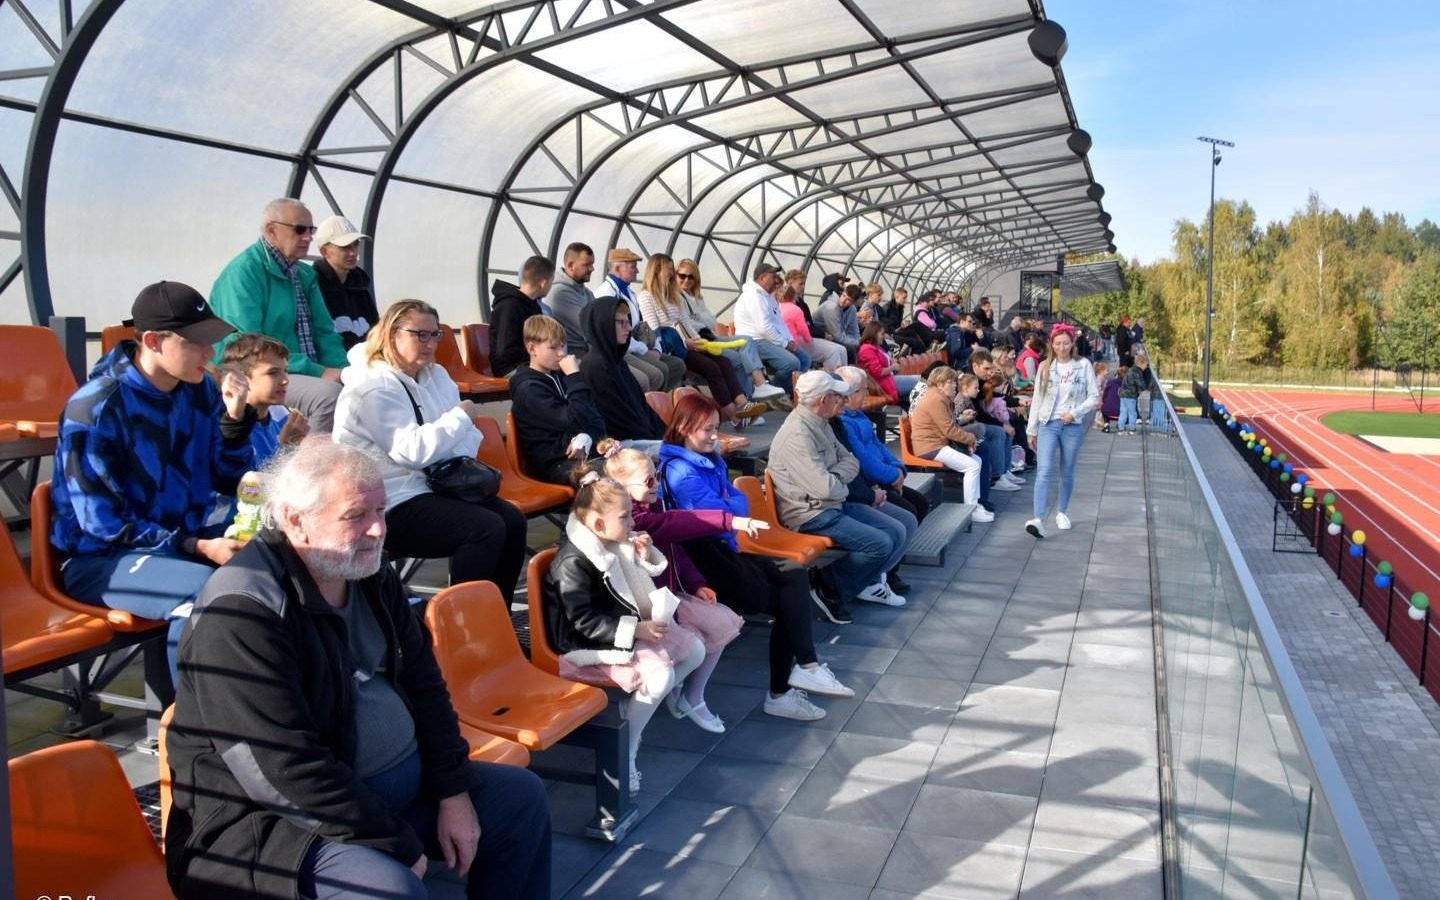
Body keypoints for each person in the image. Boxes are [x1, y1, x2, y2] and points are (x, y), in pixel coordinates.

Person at [164, 439, 551, 900]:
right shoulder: (242, 611)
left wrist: (453, 789)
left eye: (381, 511)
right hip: (276, 827)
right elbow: (282, 769)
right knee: (388, 889)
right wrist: (394, 841)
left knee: (519, 800)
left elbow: (426, 687)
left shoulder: (369, 572)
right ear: (294, 520)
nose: (378, 530)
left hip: (391, 795)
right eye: (355, 515)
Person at [51, 281, 253, 685]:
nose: (210, 353)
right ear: (152, 341)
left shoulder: (199, 391)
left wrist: (235, 423)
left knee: (289, 556)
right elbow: (103, 526)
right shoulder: (95, 407)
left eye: (211, 340)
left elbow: (226, 477)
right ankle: (192, 717)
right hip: (100, 560)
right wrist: (195, 546)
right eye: (196, 342)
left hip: (182, 540)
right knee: (204, 590)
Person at [659, 392, 855, 715]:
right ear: (683, 427)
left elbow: (737, 505)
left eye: (716, 428)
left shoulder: (710, 461)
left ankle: (803, 671)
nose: (713, 436)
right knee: (788, 601)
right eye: (706, 429)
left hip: (727, 549)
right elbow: (724, 513)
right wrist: (732, 504)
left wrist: (731, 504)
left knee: (794, 577)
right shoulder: (681, 472)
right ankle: (784, 689)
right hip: (705, 561)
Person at [333, 300, 528, 597]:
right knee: (484, 528)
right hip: (387, 501)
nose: (431, 344)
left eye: (435, 335)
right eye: (420, 335)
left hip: (436, 485)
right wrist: (460, 417)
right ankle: (462, 619)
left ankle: (495, 613)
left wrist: (449, 435)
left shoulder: (436, 375)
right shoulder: (372, 386)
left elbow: (469, 440)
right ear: (391, 335)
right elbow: (411, 451)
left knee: (512, 520)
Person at [542, 468, 709, 795]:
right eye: (625, 517)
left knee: (695, 651)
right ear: (598, 524)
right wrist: (636, 630)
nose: (633, 523)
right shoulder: (573, 562)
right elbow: (581, 622)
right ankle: (625, 749)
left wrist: (643, 556)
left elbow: (630, 588)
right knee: (660, 676)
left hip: (621, 627)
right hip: (583, 642)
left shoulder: (612, 543)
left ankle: (636, 709)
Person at [602, 446, 744, 733]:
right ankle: (665, 694)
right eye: (648, 480)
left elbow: (675, 550)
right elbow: (671, 524)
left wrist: (696, 583)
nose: (656, 483)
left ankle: (692, 695)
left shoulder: (653, 506)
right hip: (647, 609)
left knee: (719, 623)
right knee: (692, 644)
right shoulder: (634, 519)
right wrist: (726, 519)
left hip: (669, 597)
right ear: (623, 487)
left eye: (656, 475)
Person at [768, 371, 908, 613]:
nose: (844, 400)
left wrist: (835, 476)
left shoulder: (821, 422)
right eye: (838, 396)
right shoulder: (797, 435)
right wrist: (839, 478)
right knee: (880, 543)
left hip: (831, 504)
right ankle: (827, 585)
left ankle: (854, 584)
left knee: (897, 530)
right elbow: (826, 488)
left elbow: (851, 461)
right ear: (822, 400)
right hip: (810, 514)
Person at [210, 198, 347, 431]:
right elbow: (246, 346)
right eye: (300, 229)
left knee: (362, 391)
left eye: (311, 230)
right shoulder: (243, 272)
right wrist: (319, 371)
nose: (308, 237)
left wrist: (345, 371)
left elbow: (325, 332)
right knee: (328, 396)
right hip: (254, 375)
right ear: (271, 230)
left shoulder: (304, 275)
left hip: (294, 371)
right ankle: (299, 454)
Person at [832, 366, 929, 589]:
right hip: (868, 483)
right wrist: (890, 477)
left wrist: (898, 469)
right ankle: (885, 573)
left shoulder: (859, 415)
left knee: (920, 503)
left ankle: (891, 566)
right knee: (909, 510)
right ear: (849, 393)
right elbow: (862, 460)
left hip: (883, 478)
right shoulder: (844, 422)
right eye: (862, 390)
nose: (867, 394)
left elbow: (879, 446)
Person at [635, 252, 753, 424]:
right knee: (711, 368)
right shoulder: (647, 296)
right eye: (669, 270)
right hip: (671, 348)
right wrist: (686, 343)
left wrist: (699, 342)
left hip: (685, 344)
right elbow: (654, 330)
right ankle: (733, 415)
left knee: (724, 362)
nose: (671, 274)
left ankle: (743, 404)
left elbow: (686, 324)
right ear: (657, 270)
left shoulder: (672, 296)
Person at [509, 315, 609, 484]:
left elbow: (596, 420)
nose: (562, 353)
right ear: (532, 349)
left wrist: (587, 437)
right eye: (553, 347)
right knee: (617, 477)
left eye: (563, 346)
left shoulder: (561, 376)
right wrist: (574, 376)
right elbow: (574, 420)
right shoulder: (529, 389)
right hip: (557, 464)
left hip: (584, 456)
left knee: (634, 465)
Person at [674, 258, 786, 408]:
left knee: (747, 341)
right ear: (675, 275)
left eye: (691, 277)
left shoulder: (696, 298)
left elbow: (710, 321)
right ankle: (750, 398)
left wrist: (702, 320)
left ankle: (756, 389)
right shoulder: (676, 297)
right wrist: (702, 320)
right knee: (735, 357)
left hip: (709, 336)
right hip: (700, 340)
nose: (687, 280)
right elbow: (688, 323)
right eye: (682, 276)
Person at [1026, 323, 1099, 538]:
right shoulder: (1045, 367)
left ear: (1072, 343)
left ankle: (1062, 512)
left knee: (1067, 470)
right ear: (1052, 344)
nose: (1062, 347)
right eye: (1057, 343)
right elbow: (1037, 398)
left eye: (1066, 343)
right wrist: (1032, 429)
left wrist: (1075, 413)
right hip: (1048, 423)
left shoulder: (1083, 365)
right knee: (1044, 470)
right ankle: (1038, 518)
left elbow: (1094, 396)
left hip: (1071, 426)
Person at [577, 294, 666, 442]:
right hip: (624, 445)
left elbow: (642, 407)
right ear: (603, 324)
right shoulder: (594, 368)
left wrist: (667, 436)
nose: (629, 328)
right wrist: (656, 442)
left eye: (628, 321)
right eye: (621, 322)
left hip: (641, 438)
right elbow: (618, 422)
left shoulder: (616, 361)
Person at [594, 247, 685, 392]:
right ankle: (646, 404)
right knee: (658, 372)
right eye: (633, 267)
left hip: (634, 347)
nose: (637, 271)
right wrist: (644, 350)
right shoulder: (606, 295)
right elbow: (615, 334)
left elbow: (643, 326)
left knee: (677, 365)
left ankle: (655, 401)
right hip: (620, 351)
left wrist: (656, 348)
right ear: (617, 268)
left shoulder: (629, 293)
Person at [908, 367, 991, 522]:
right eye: (950, 382)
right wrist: (971, 439)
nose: (954, 385)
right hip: (930, 447)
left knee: (977, 460)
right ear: (940, 384)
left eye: (954, 381)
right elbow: (949, 430)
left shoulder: (939, 397)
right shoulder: (936, 399)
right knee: (972, 466)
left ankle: (976, 504)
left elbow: (950, 427)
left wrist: (967, 440)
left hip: (936, 443)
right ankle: (971, 510)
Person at [219, 333, 310, 468]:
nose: (285, 380)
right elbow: (245, 480)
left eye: (285, 370)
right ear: (240, 378)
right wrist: (287, 448)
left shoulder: (283, 415)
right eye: (272, 373)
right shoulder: (227, 429)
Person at [732, 261, 810, 391]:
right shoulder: (754, 296)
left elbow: (779, 323)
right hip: (755, 341)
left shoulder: (767, 297)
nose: (776, 280)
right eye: (773, 276)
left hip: (767, 339)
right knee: (792, 363)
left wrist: (790, 340)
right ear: (762, 278)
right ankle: (776, 391)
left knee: (805, 359)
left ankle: (791, 391)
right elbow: (763, 328)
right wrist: (784, 344)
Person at [311, 216, 380, 351]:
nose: (353, 253)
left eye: (356, 244)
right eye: (345, 247)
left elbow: (375, 329)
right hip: (332, 362)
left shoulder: (361, 285)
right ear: (324, 251)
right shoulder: (313, 286)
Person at [489, 255, 554, 378]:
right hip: (510, 368)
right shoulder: (509, 306)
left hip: (528, 364)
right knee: (555, 377)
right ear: (543, 283)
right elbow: (505, 351)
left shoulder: (532, 305)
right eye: (551, 282)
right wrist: (541, 354)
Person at [779, 283, 847, 371]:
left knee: (839, 349)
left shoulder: (777, 307)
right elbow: (803, 329)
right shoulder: (795, 309)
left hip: (783, 343)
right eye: (801, 283)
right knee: (836, 350)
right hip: (796, 342)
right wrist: (809, 340)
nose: (803, 287)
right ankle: (834, 375)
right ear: (794, 296)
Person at [547, 242, 599, 356]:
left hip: (590, 352)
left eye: (592, 264)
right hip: (573, 355)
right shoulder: (560, 294)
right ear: (571, 265)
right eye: (587, 264)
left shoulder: (586, 292)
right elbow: (591, 326)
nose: (592, 268)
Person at [857, 321, 919, 406]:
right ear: (874, 334)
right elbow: (878, 372)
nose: (884, 337)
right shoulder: (867, 350)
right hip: (884, 384)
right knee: (920, 382)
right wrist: (893, 367)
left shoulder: (875, 347)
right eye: (882, 334)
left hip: (889, 379)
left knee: (921, 380)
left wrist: (891, 362)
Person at [817, 281, 861, 358]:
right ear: (842, 292)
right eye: (844, 296)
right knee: (849, 349)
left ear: (853, 303)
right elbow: (837, 336)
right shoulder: (831, 307)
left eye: (848, 300)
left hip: (833, 336)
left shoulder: (852, 309)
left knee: (858, 348)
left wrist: (858, 341)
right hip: (820, 335)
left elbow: (853, 330)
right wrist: (857, 342)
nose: (843, 301)